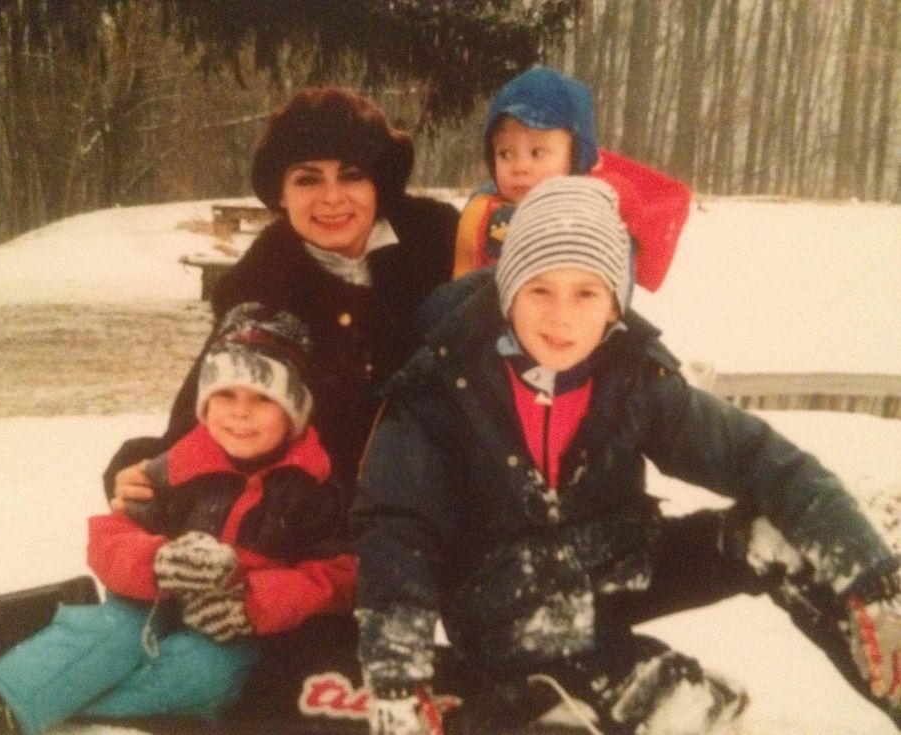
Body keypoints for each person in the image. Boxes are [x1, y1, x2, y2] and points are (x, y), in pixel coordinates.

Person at [352, 176, 901, 734]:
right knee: (677, 710)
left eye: (586, 293)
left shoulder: (632, 375)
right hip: (505, 607)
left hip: (615, 564)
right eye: (539, 290)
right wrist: (397, 676)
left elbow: (764, 462)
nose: (561, 316)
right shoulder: (443, 386)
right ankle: (614, 694)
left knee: (779, 540)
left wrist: (872, 578)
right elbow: (397, 530)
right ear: (507, 292)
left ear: (615, 303)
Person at [0, 303, 355, 735]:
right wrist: (157, 563)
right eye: (225, 395)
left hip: (231, 632)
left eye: (263, 399)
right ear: (204, 403)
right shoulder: (178, 466)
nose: (240, 412)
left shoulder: (313, 489)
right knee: (110, 633)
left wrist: (252, 602)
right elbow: (109, 537)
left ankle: (69, 712)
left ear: (294, 412)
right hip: (148, 605)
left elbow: (338, 576)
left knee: (206, 671)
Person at [105, 86, 459, 506]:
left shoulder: (445, 246)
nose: (332, 197)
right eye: (308, 179)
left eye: (351, 175)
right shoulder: (263, 287)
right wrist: (139, 470)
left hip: (455, 489)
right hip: (330, 513)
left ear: (378, 184)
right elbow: (210, 414)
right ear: (281, 195)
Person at [453, 66, 690, 296]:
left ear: (575, 157)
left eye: (537, 153)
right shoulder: (483, 207)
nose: (519, 167)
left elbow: (608, 300)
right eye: (505, 154)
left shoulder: (594, 219)